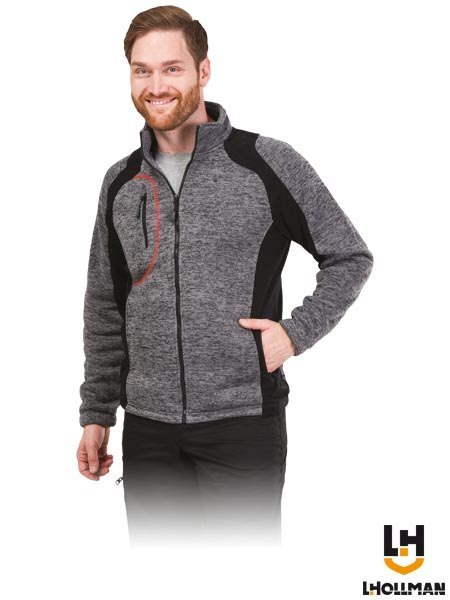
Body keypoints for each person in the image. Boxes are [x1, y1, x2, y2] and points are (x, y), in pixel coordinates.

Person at [76, 5, 374, 547]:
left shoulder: (266, 162)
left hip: (243, 423)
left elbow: (349, 256)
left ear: (203, 71)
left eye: (172, 68)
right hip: (147, 429)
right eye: (142, 70)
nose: (156, 86)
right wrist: (97, 412)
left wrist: (294, 334)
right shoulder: (120, 182)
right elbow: (105, 304)